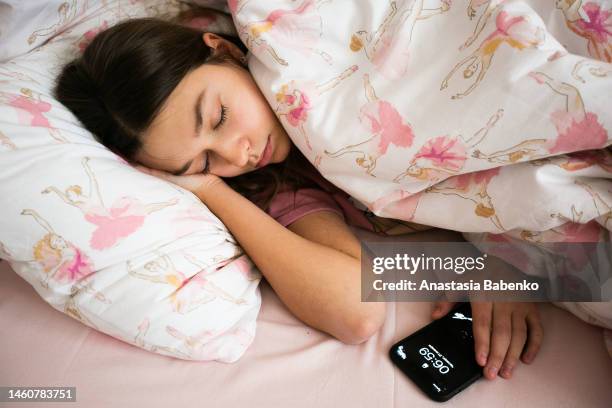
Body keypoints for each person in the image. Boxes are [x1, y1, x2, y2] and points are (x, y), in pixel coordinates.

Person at [54, 17, 542, 380]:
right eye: (202, 162)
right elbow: (356, 312)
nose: (236, 154)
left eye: (220, 116)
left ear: (222, 47)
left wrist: (500, 252)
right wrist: (211, 192)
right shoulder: (277, 183)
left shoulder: (299, 41)